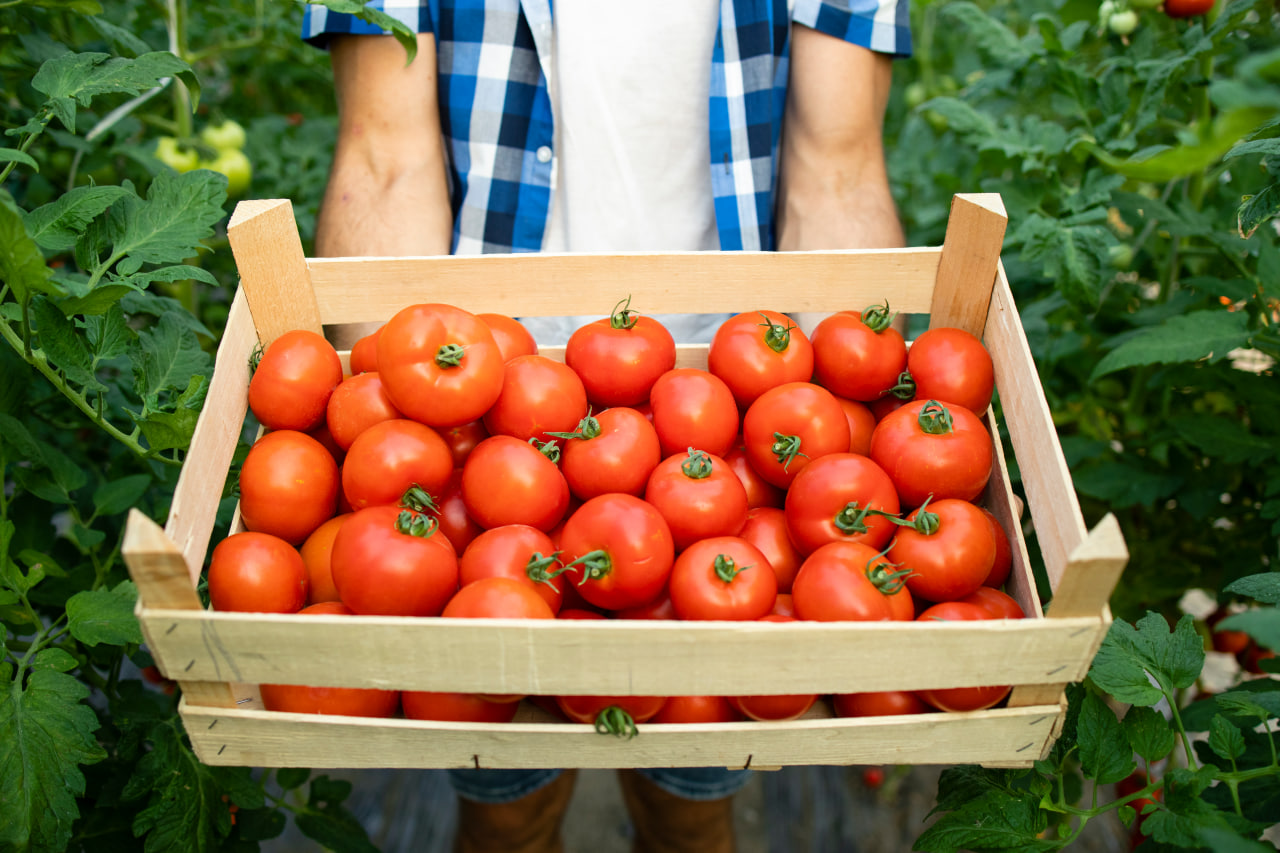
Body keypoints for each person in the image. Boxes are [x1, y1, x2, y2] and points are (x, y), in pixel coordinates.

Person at [302, 1, 910, 850]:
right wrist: (384, 421)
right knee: (507, 808)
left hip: (722, 410)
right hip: (484, 404)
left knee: (691, 802)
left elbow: (836, 171)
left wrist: (843, 430)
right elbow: (384, 159)